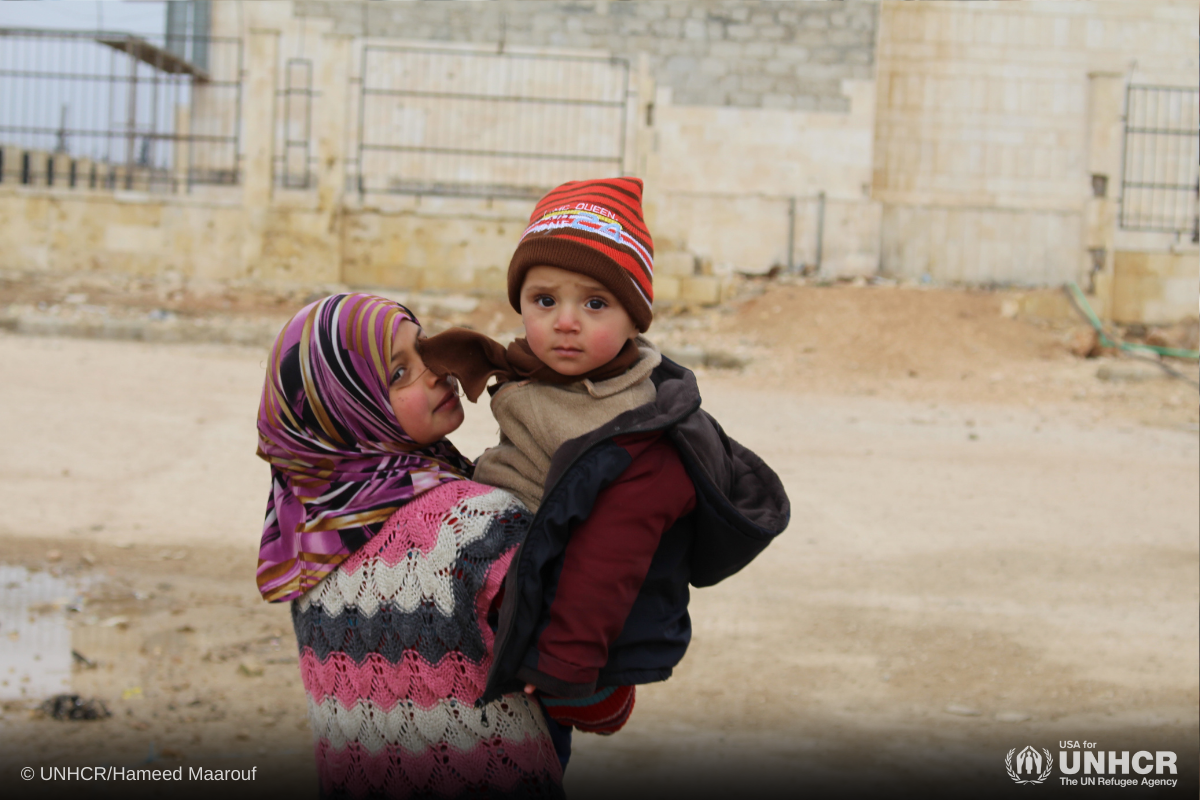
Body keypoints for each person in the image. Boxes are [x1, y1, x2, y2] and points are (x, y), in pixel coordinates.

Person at [418, 177, 791, 738]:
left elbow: (607, 560)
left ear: (636, 319)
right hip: (506, 594)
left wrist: (565, 667)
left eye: (595, 303)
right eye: (544, 301)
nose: (565, 322)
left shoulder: (641, 433)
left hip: (566, 648)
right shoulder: (539, 376)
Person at [255, 293, 564, 799]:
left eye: (424, 350)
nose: (437, 372)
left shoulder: (302, 548)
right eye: (398, 374)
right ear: (349, 409)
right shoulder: (470, 521)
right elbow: (578, 667)